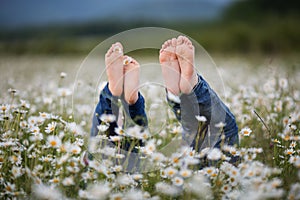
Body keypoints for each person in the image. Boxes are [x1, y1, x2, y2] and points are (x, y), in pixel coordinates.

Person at [83, 36, 239, 167]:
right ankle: (186, 90)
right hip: (196, 185)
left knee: (106, 158)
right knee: (220, 131)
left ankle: (114, 93)